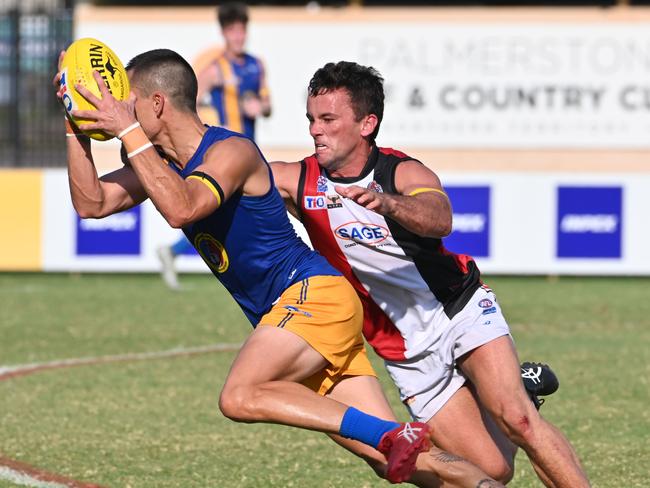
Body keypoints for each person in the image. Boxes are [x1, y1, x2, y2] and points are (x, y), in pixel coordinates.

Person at [55, 48, 505, 487]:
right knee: (396, 464)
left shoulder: (231, 151)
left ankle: (393, 434)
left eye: (125, 101)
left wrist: (128, 131)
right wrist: (74, 124)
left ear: (156, 105)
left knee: (239, 395)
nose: (114, 108)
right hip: (295, 319)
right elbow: (91, 203)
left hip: (313, 297)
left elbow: (183, 208)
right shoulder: (161, 163)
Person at [271, 61, 591, 487]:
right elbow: (236, 171)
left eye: (328, 119)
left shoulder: (402, 171)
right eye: (311, 119)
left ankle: (517, 399)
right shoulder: (299, 180)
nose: (315, 130)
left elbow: (440, 218)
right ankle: (520, 389)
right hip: (405, 349)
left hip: (458, 308)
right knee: (493, 468)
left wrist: (389, 205)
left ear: (367, 123)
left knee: (519, 420)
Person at [156, 2, 272, 290]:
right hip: (224, 150)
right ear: (224, 33)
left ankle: (173, 251)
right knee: (228, 211)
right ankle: (177, 252)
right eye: (233, 30)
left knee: (232, 212)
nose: (238, 36)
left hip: (249, 149)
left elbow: (268, 104)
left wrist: (262, 107)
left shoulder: (256, 65)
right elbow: (187, 105)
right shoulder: (215, 69)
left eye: (242, 30)